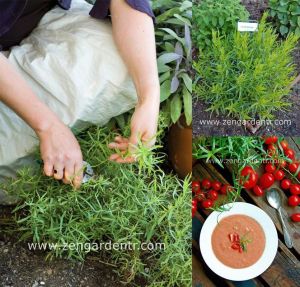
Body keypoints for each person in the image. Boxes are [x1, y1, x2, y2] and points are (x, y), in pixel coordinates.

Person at [0, 0, 160, 188]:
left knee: (123, 64)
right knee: (8, 156)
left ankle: (55, 142)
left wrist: (149, 99)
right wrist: (47, 126)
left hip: (35, 17)